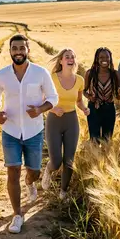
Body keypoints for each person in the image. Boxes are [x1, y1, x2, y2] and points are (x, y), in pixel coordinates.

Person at [0, 34, 58, 234]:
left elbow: (53, 97)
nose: (18, 52)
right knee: (13, 171)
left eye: (22, 48)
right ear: (10, 50)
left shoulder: (40, 73)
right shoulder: (2, 74)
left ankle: (30, 183)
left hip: (33, 131)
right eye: (15, 48)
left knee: (34, 171)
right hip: (10, 131)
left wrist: (40, 110)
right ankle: (17, 214)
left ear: (28, 50)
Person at [41, 48, 90, 199]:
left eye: (73, 57)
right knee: (56, 161)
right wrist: (54, 109)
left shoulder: (80, 80)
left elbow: (79, 101)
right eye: (67, 56)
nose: (70, 59)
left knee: (69, 160)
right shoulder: (52, 78)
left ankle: (63, 192)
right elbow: (42, 100)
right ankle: (48, 171)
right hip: (54, 120)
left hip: (71, 121)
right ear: (61, 61)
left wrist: (84, 109)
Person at [84, 47, 120, 143]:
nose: (104, 60)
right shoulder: (90, 73)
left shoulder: (115, 74)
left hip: (109, 109)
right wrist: (90, 97)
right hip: (93, 109)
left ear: (110, 58)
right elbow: (84, 91)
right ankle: (94, 157)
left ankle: (104, 158)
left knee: (107, 140)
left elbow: (118, 96)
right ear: (97, 59)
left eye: (107, 57)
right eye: (101, 57)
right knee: (94, 139)